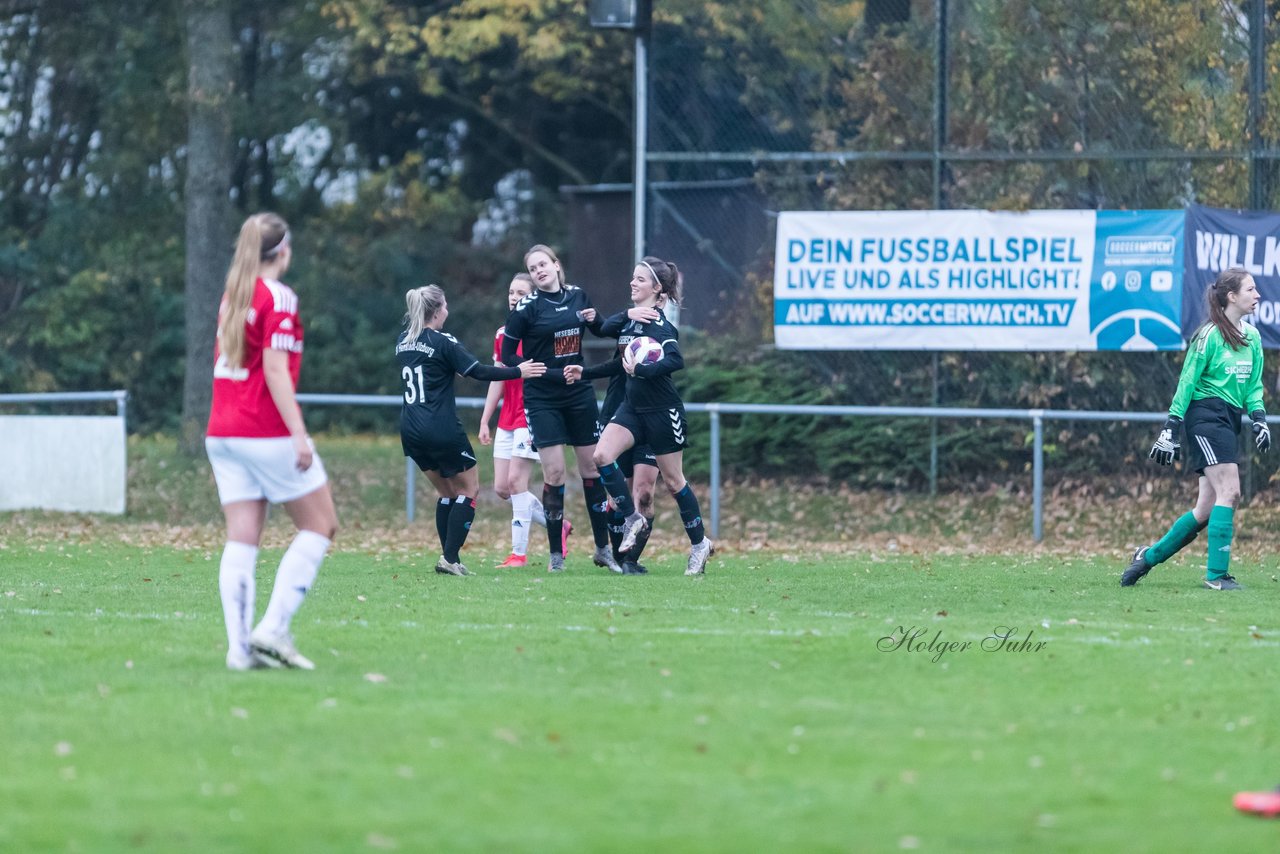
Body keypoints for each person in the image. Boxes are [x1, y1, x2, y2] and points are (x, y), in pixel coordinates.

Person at [205, 212, 338, 671]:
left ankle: (240, 650)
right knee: (321, 524)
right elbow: (276, 370)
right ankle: (272, 629)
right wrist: (299, 434)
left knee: (242, 539)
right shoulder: (278, 295)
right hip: (261, 428)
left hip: (222, 430)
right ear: (283, 251)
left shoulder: (233, 294)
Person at [565, 256, 714, 576]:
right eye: (632, 278)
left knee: (674, 482)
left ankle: (700, 543)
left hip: (662, 411)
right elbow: (610, 338)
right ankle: (632, 518)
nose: (632, 283)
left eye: (640, 280)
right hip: (631, 408)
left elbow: (675, 360)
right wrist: (588, 372)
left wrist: (643, 368)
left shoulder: (661, 324)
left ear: (657, 289)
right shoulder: (631, 320)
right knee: (601, 456)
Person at [1122, 267, 1268, 590]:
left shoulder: (1253, 338)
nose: (1257, 295)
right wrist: (1171, 425)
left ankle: (1147, 557)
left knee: (1205, 508)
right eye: (1250, 289)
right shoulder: (1208, 336)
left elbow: (1254, 386)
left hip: (1229, 419)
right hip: (1204, 416)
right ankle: (1216, 577)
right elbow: (1187, 382)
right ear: (1232, 296)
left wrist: (1259, 418)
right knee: (1231, 491)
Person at [398, 284, 545, 576]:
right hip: (439, 426)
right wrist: (518, 371)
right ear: (438, 311)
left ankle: (448, 558)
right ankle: (450, 558)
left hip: (410, 428)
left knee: (447, 493)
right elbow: (477, 370)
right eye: (446, 306)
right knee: (469, 489)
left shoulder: (403, 340)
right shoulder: (443, 341)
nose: (447, 311)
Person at [500, 244, 621, 573]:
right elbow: (508, 355)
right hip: (543, 398)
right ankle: (556, 555)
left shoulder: (579, 297)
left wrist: (608, 320)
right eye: (533, 267)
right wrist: (526, 367)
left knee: (592, 470)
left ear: (556, 265)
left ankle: (602, 549)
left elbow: (601, 329)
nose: (539, 270)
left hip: (578, 393)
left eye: (543, 264)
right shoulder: (527, 308)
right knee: (554, 473)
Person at [479, 273, 572, 568]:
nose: (513, 297)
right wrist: (485, 419)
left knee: (518, 482)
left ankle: (518, 554)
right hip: (507, 418)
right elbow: (497, 379)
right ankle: (560, 524)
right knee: (502, 488)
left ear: (533, 297)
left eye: (521, 292)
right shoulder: (503, 334)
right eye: (511, 291)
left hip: (532, 414)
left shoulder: (543, 331)